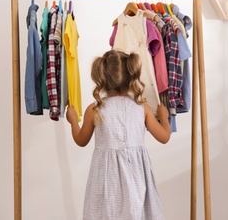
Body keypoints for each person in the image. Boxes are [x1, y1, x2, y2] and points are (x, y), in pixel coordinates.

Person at [66, 49, 171, 220]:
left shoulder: (95, 109)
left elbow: (81, 140)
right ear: (131, 77)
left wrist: (73, 121)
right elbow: (164, 137)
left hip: (106, 180)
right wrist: (164, 118)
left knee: (105, 213)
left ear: (102, 78)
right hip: (136, 178)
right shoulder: (142, 108)